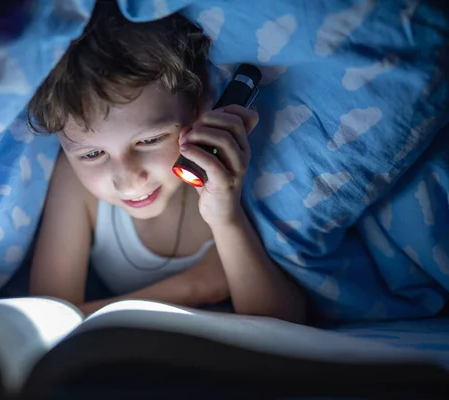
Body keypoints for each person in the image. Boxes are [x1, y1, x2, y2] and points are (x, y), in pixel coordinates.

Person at [26, 1, 306, 323]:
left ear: (198, 104)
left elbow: (286, 325)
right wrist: (196, 287)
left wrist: (226, 220)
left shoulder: (233, 175)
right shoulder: (75, 184)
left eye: (149, 140)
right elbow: (47, 320)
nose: (129, 178)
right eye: (92, 154)